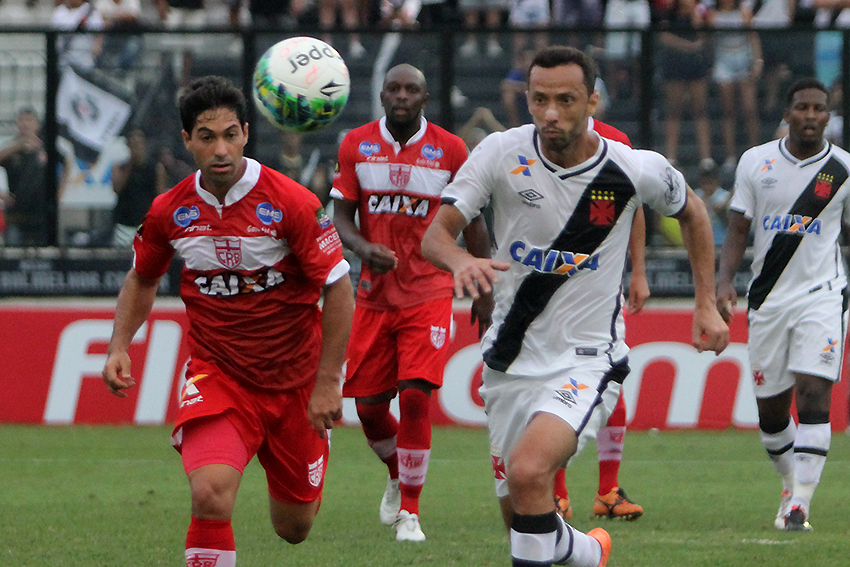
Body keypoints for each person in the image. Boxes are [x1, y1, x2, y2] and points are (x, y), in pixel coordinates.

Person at [422, 46, 729, 567]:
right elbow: (435, 236)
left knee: (527, 472)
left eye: (565, 100)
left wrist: (705, 305)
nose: (550, 113)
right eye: (539, 99)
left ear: (592, 102)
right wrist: (459, 261)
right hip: (509, 357)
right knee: (523, 514)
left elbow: (694, 213)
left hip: (586, 360)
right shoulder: (500, 152)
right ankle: (589, 551)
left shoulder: (631, 167)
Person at [101, 75, 354, 566]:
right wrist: (119, 345)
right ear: (187, 140)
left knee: (294, 527)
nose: (221, 149)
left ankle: (312, 454)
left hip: (296, 382)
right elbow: (143, 277)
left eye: (230, 135)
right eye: (207, 136)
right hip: (219, 375)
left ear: (245, 134)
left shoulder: (291, 202)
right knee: (210, 493)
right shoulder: (170, 210)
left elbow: (339, 288)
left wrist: (328, 382)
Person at [330, 63, 490, 542]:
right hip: (374, 295)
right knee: (369, 408)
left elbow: (474, 222)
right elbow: (340, 216)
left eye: (412, 89)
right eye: (394, 89)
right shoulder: (356, 144)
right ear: (382, 96)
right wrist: (363, 248)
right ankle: (398, 473)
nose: (402, 96)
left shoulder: (451, 150)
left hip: (430, 289)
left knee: (416, 396)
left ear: (425, 99)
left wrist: (484, 291)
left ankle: (410, 514)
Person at [716, 77, 850, 532]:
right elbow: (738, 228)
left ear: (828, 117)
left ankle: (800, 506)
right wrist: (723, 281)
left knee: (813, 392)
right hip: (768, 300)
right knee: (772, 415)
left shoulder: (843, 170)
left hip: (822, 295)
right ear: (788, 114)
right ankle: (790, 486)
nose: (810, 115)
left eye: (818, 108)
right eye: (802, 108)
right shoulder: (756, 162)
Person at [707, 0, 763, 175]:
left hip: (743, 57)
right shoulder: (713, 15)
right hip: (723, 57)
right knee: (728, 110)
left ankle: (755, 151)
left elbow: (753, 36)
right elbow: (709, 40)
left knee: (749, 108)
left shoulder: (744, 12)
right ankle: (730, 156)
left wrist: (758, 60)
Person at [657, 0, 714, 169]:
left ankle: (706, 158)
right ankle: (671, 157)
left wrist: (696, 18)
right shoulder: (668, 14)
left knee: (700, 110)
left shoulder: (699, 14)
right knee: (674, 110)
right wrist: (688, 46)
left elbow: (704, 38)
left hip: (696, 65)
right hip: (674, 65)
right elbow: (664, 37)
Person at [0, 107, 49, 247]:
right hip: (16, 214)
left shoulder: (45, 147)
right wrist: (2, 196)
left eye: (29, 120)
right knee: (14, 253)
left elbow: (67, 163)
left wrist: (59, 192)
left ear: (37, 124)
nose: (26, 124)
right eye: (22, 120)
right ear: (17, 124)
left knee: (44, 253)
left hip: (42, 214)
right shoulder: (11, 149)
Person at [110, 128, 161, 248]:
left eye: (139, 144)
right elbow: (117, 188)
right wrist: (130, 166)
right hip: (124, 223)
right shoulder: (120, 167)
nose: (137, 148)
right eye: (133, 144)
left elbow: (160, 196)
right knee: (121, 255)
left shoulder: (155, 168)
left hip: (146, 224)